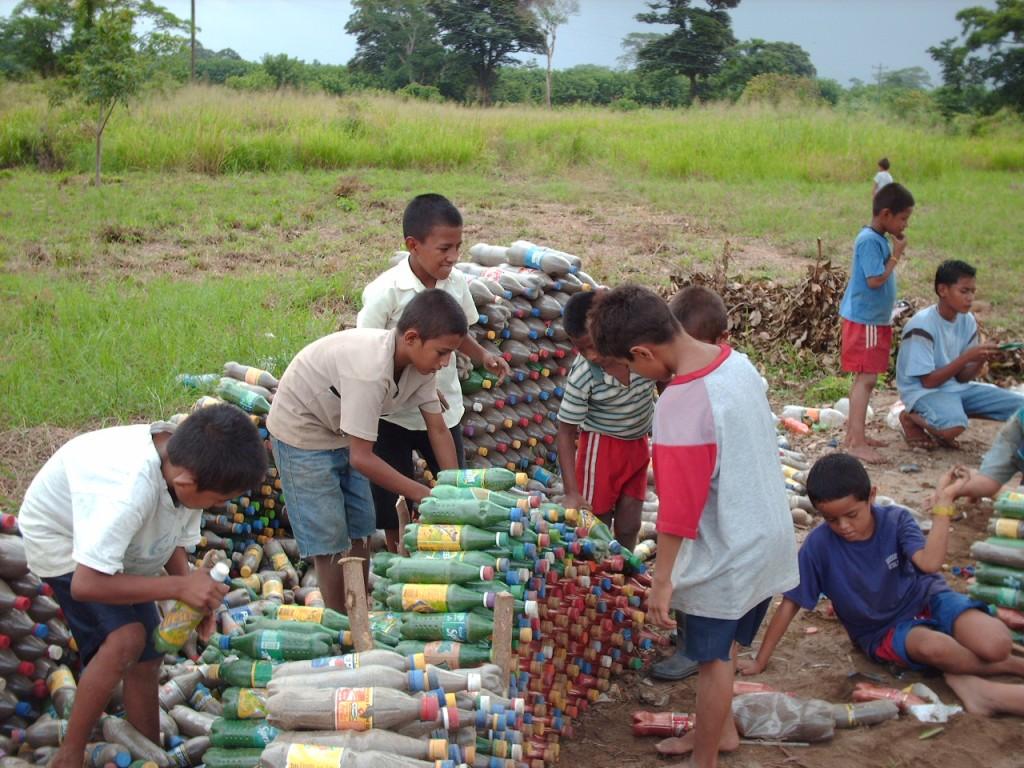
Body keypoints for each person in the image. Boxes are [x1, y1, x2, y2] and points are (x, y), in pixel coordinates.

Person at [588, 285, 798, 767]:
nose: (634, 376)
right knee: (721, 649)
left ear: (643, 351)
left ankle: (707, 756)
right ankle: (716, 732)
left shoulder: (680, 405)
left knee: (713, 660)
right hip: (767, 535)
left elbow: (679, 513)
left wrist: (662, 582)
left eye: (630, 367)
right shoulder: (736, 363)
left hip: (729, 552)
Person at [17, 404, 267, 768]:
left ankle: (149, 752)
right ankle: (69, 753)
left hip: (116, 546)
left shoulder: (187, 467)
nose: (218, 507)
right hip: (64, 543)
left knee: (151, 648)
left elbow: (173, 540)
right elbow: (87, 585)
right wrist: (178, 589)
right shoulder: (130, 490)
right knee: (125, 640)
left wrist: (194, 599)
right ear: (187, 484)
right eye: (217, 501)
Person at [739, 453, 1024, 716]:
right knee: (935, 648)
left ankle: (965, 673)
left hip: (929, 597)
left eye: (852, 515)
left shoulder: (896, 520)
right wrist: (761, 660)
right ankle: (1013, 666)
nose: (844, 526)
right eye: (831, 520)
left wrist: (944, 501)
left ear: (872, 496)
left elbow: (929, 564)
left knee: (996, 643)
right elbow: (790, 603)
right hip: (882, 630)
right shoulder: (818, 546)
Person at [267, 289, 468, 611]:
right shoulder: (369, 371)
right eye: (442, 353)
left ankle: (356, 607)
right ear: (413, 338)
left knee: (361, 526)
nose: (445, 363)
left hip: (343, 431)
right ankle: (339, 624)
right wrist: (423, 493)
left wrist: (456, 489)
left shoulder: (422, 366)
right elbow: (361, 458)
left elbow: (438, 429)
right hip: (302, 432)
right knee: (330, 538)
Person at [357, 194, 509, 551]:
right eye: (444, 248)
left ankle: (449, 547)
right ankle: (399, 551)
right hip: (391, 415)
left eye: (458, 246)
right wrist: (408, 386)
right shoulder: (386, 292)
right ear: (413, 245)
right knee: (391, 495)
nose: (454, 257)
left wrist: (483, 354)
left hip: (444, 410)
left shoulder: (455, 283)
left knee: (451, 482)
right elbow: (366, 348)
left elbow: (460, 333)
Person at [649, 284, 731, 682]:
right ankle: (688, 639)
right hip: (698, 501)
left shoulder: (697, 391)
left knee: (691, 571)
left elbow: (680, 511)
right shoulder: (720, 373)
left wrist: (660, 579)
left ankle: (692, 648)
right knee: (685, 563)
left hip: (704, 510)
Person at [555, 290, 656, 552]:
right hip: (601, 450)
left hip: (638, 445)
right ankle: (598, 577)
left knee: (630, 524)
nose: (591, 355)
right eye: (581, 348)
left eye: (593, 344)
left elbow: (667, 383)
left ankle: (625, 573)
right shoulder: (584, 374)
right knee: (595, 522)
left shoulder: (641, 355)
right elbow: (565, 432)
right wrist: (571, 492)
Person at [896, 259, 1024, 449]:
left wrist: (980, 359)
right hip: (922, 392)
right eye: (964, 291)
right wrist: (967, 357)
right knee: (952, 428)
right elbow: (928, 382)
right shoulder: (922, 325)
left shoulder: (967, 320)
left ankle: (947, 413)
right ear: (942, 290)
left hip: (955, 388)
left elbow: (962, 378)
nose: (970, 298)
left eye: (973, 291)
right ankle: (910, 418)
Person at [838, 182, 915, 464]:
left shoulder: (876, 238)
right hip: (865, 321)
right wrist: (897, 254)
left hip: (874, 320)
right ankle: (856, 441)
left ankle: (854, 436)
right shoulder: (870, 241)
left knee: (866, 379)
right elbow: (874, 280)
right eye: (903, 218)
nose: (905, 224)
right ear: (885, 214)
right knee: (866, 379)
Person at [933, 406, 1024, 503]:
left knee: (989, 485)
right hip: (1017, 429)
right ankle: (947, 492)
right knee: (987, 484)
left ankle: (968, 483)